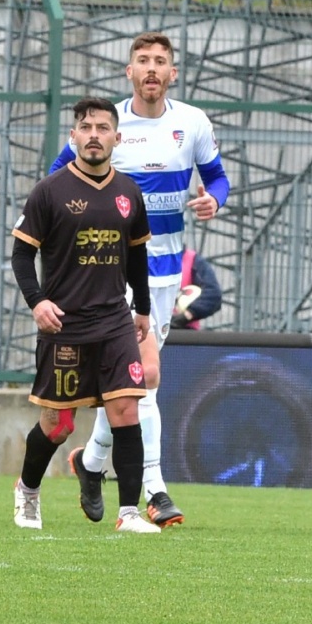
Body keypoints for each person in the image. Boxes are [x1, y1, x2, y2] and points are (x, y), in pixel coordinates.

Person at [52, 32, 229, 528]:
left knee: (127, 386)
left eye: (161, 62)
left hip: (166, 272)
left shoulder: (191, 123)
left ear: (173, 73)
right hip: (114, 272)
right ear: (128, 71)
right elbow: (56, 179)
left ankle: (90, 464)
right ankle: (154, 490)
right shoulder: (108, 126)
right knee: (145, 378)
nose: (151, 68)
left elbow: (217, 177)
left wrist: (214, 199)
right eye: (142, 61)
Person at [11, 97, 161, 534]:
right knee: (58, 425)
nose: (94, 134)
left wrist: (143, 310)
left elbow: (137, 258)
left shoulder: (128, 193)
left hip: (115, 321)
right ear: (73, 136)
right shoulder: (49, 191)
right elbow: (22, 255)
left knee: (126, 412)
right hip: (65, 325)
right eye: (85, 127)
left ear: (117, 137)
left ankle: (129, 512)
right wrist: (37, 301)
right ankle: (28, 489)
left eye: (102, 127)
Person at [170, 248, 221, 329]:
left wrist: (188, 314)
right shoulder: (147, 259)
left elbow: (213, 295)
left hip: (182, 331)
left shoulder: (194, 260)